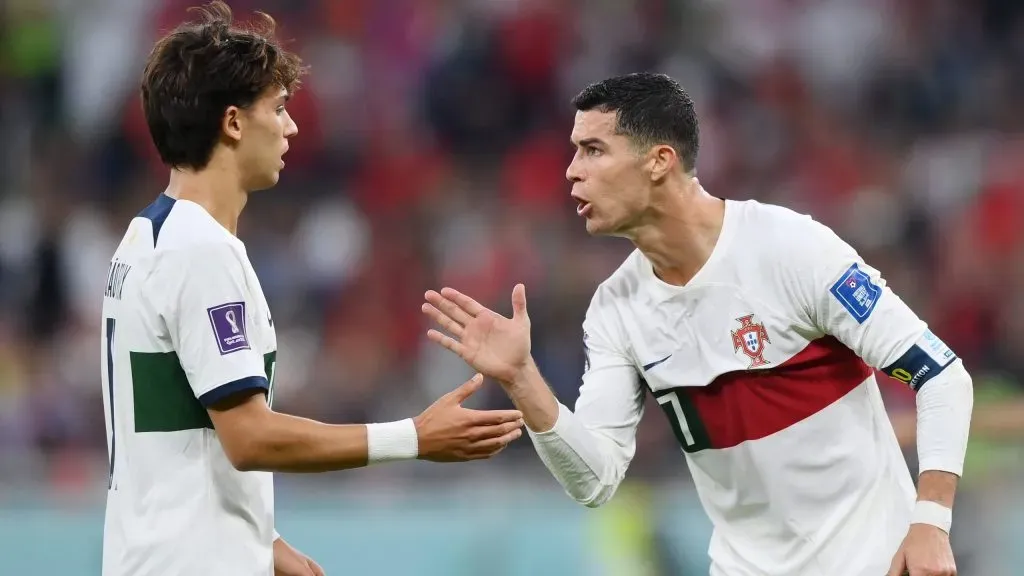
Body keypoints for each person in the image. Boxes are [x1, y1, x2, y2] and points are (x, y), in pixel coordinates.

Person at [422, 72, 973, 576]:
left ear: (659, 160)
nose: (572, 171)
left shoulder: (789, 248)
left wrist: (930, 521)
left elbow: (942, 376)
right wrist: (522, 379)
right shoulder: (616, 311)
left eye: (593, 150)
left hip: (874, 563)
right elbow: (594, 479)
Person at [99, 3, 524, 575]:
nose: (292, 126)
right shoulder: (203, 253)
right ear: (232, 123)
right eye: (277, 108)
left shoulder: (144, 237)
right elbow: (247, 437)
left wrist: (261, 545)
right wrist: (413, 437)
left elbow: (176, 434)